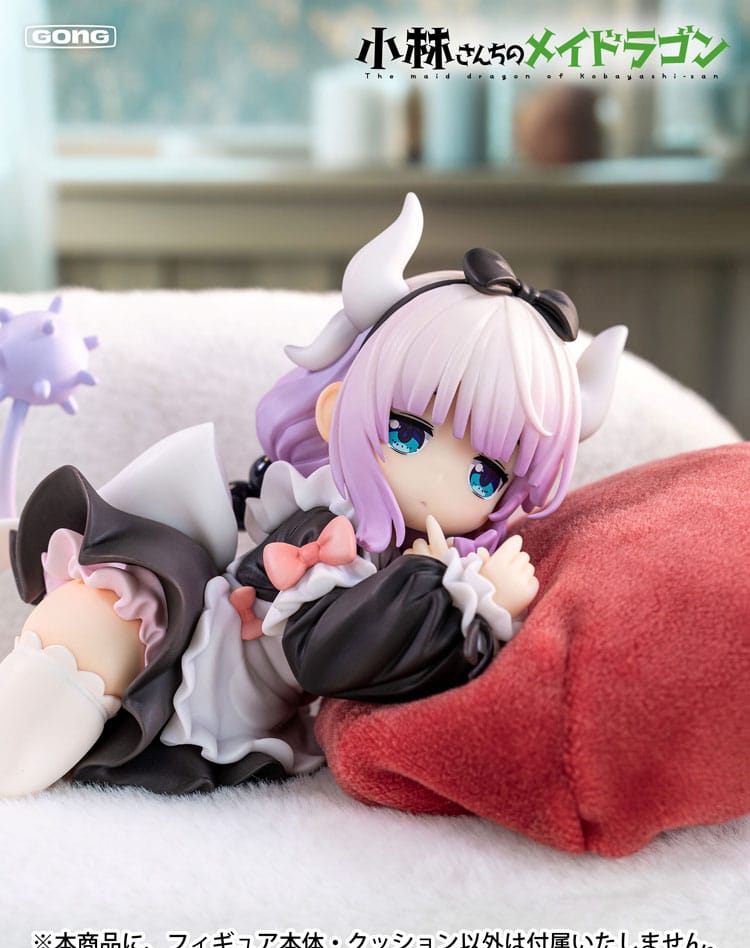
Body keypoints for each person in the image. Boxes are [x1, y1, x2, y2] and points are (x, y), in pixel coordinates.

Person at [0, 194, 626, 796]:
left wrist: (469, 598)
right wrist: (463, 597)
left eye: (484, 474)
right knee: (104, 610)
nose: (441, 480)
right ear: (335, 409)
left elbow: (360, 663)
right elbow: (325, 651)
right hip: (208, 661)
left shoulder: (412, 557)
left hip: (238, 699)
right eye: (408, 433)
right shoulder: (331, 527)